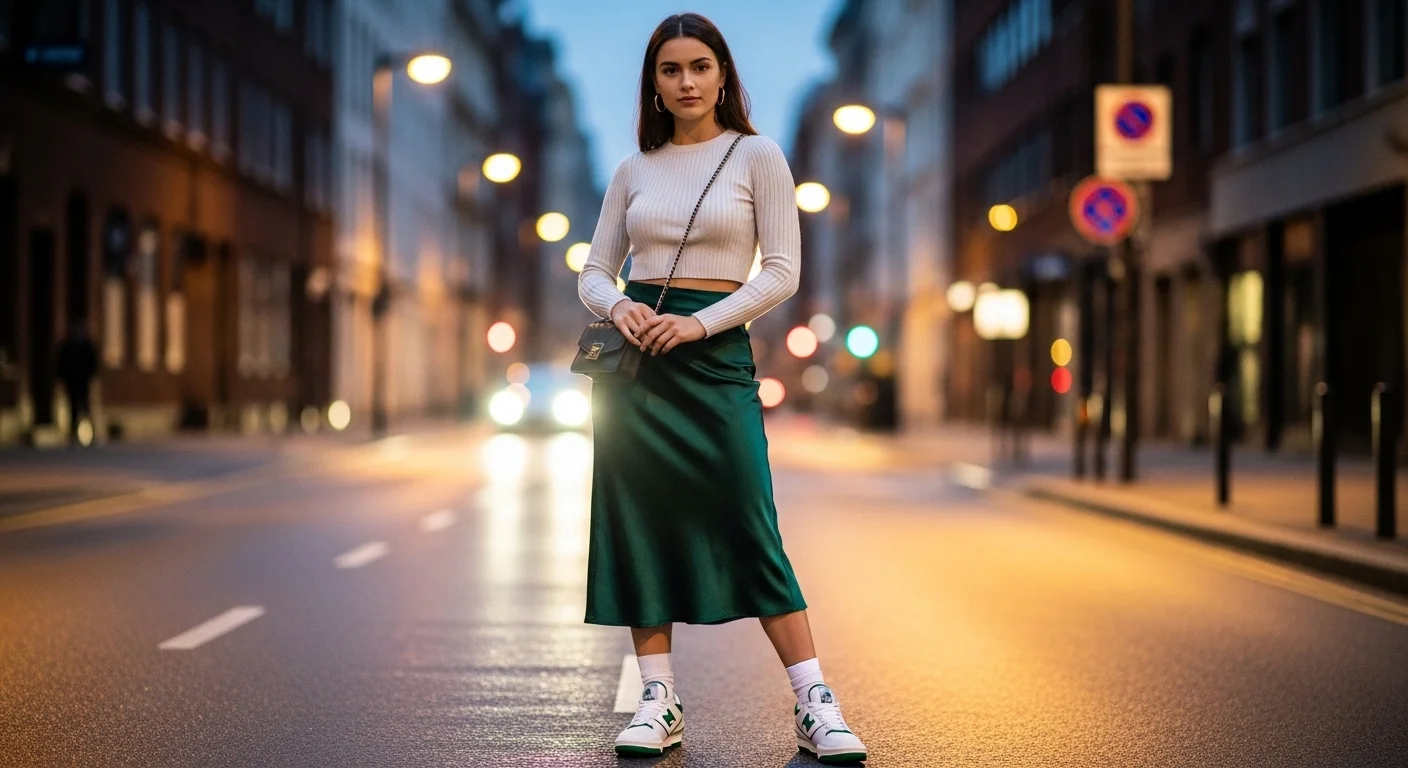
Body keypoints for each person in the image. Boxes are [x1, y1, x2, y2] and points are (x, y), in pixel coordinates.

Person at [577, 13, 867, 764]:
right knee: (637, 520)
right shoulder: (634, 169)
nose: (686, 82)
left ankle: (813, 701)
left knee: (748, 516)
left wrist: (700, 326)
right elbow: (593, 270)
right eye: (670, 70)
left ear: (724, 75)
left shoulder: (757, 155)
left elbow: (781, 271)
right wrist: (622, 306)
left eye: (699, 67)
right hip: (638, 366)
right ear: (654, 84)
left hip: (716, 361)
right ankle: (659, 697)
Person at [56, 323, 98, 444]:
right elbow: (61, 363)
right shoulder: (68, 346)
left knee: (85, 407)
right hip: (72, 381)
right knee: (74, 407)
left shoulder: (86, 346)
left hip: (83, 381)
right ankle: (73, 433)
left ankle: (89, 433)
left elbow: (92, 362)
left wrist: (92, 375)